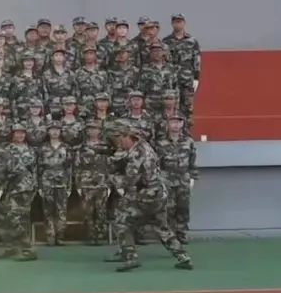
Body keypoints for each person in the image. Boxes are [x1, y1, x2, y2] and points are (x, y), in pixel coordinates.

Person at [105, 125, 193, 272]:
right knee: (161, 227)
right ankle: (183, 257)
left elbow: (130, 179)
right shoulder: (145, 146)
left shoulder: (136, 154)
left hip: (145, 195)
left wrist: (112, 177)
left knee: (121, 221)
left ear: (129, 137)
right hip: (158, 193)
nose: (119, 142)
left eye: (121, 138)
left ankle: (130, 257)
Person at [0, 125, 38, 261]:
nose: (20, 135)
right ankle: (11, 247)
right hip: (8, 187)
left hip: (24, 188)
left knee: (16, 218)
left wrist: (34, 185)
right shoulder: (5, 150)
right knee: (1, 217)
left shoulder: (30, 151)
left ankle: (28, 249)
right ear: (12, 134)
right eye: (17, 133)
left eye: (22, 133)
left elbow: (34, 170)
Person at [155, 115, 198, 244]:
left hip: (183, 179)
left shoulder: (188, 141)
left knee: (183, 207)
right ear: (167, 124)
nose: (176, 125)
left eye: (178, 122)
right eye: (173, 122)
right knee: (168, 208)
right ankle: (170, 235)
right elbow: (156, 163)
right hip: (166, 179)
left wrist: (192, 177)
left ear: (182, 124)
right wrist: (158, 179)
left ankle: (182, 233)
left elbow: (192, 160)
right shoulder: (160, 142)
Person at [75, 121, 111, 245]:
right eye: (90, 129)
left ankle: (101, 235)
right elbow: (77, 167)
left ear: (100, 131)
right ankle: (90, 235)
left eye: (95, 129)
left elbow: (110, 165)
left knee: (101, 210)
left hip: (102, 182)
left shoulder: (106, 147)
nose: (93, 131)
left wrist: (110, 183)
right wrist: (78, 184)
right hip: (86, 182)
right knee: (87, 211)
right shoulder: (81, 147)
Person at [37, 121, 71, 245]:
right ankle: (50, 236)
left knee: (61, 210)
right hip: (47, 181)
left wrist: (69, 185)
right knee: (48, 210)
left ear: (60, 131)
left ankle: (60, 236)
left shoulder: (66, 147)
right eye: (52, 129)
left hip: (62, 181)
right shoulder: (43, 148)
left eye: (57, 129)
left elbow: (69, 168)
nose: (55, 132)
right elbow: (39, 168)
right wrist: (40, 185)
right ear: (48, 132)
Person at [163, 14, 202, 118]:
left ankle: (186, 128)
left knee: (187, 107)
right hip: (171, 80)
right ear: (172, 24)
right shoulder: (166, 41)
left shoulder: (192, 41)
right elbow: (163, 61)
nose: (178, 24)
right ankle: (172, 127)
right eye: (175, 22)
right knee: (172, 106)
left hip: (187, 79)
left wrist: (196, 77)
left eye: (180, 22)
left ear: (184, 23)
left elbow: (197, 59)